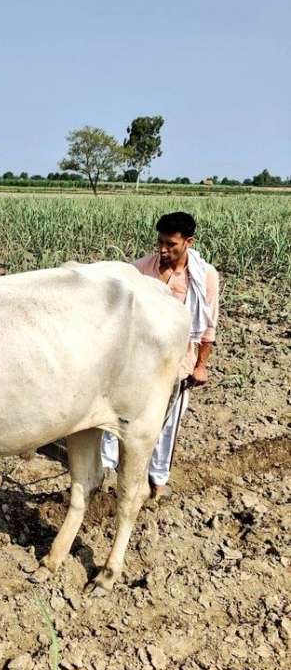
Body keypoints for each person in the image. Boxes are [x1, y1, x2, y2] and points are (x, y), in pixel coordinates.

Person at [101, 211, 219, 498]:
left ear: (188, 242)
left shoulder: (205, 278)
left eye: (171, 245)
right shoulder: (141, 270)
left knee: (167, 421)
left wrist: (201, 366)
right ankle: (105, 469)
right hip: (137, 357)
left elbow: (209, 326)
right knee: (112, 415)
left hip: (177, 361)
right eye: (160, 243)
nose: (163, 250)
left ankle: (157, 477)